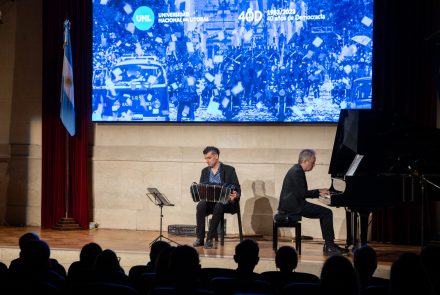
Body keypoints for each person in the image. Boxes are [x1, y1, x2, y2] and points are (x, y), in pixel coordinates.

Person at [277, 149, 347, 255]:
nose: (313, 165)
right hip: (294, 207)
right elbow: (303, 194)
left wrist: (318, 192)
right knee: (326, 213)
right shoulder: (297, 171)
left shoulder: (296, 169)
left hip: (294, 204)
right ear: (305, 161)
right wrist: (318, 192)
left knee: (325, 213)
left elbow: (301, 193)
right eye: (312, 162)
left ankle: (329, 244)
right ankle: (329, 246)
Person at [193, 146, 241, 249]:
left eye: (209, 158)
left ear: (216, 156)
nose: (207, 161)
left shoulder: (229, 170)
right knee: (201, 205)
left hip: (225, 203)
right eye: (206, 158)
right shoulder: (204, 171)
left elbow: (237, 187)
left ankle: (209, 238)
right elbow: (202, 187)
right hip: (210, 202)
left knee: (219, 205)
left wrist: (235, 195)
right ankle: (200, 238)